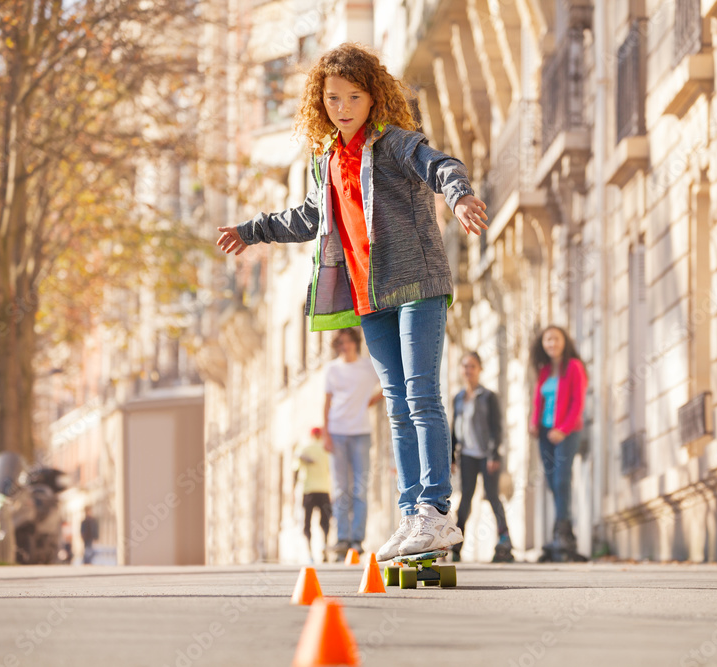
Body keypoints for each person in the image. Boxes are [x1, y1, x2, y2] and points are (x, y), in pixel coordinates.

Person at [216, 42, 487, 561]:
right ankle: (413, 515)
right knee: (396, 408)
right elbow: (309, 218)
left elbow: (441, 165)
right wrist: (252, 231)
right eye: (333, 98)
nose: (342, 107)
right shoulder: (327, 160)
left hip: (418, 285)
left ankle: (436, 510)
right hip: (371, 296)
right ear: (321, 102)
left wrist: (459, 196)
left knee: (422, 396)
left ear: (372, 97)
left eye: (353, 96)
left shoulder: (394, 143)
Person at [529, 326, 588, 562]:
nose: (551, 343)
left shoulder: (574, 366)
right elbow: (538, 400)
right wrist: (534, 423)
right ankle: (565, 533)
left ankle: (562, 534)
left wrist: (563, 430)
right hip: (545, 433)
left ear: (564, 341)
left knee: (562, 479)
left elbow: (578, 401)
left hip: (568, 432)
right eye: (547, 340)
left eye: (555, 339)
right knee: (553, 481)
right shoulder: (544, 371)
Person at [323, 328, 383, 558]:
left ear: (356, 343)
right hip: (337, 433)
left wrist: (367, 403)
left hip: (361, 433)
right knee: (340, 489)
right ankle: (342, 538)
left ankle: (357, 539)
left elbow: (387, 385)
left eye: (348, 342)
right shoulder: (332, 369)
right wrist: (326, 434)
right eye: (340, 343)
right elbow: (327, 403)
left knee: (359, 487)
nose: (344, 346)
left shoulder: (368, 367)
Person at [450, 351, 513, 562]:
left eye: (473, 366)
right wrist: (451, 457)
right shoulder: (458, 398)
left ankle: (505, 543)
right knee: (465, 501)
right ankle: (457, 547)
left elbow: (497, 428)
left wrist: (495, 454)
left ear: (480, 369)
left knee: (493, 497)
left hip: (487, 456)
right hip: (467, 456)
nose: (468, 370)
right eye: (465, 366)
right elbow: (454, 429)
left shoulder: (488, 396)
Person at [295, 427, 333, 562]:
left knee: (307, 522)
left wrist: (295, 486)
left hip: (309, 490)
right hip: (324, 489)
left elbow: (296, 469)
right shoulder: (326, 449)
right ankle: (325, 545)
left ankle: (310, 552)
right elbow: (331, 470)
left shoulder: (304, 448)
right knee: (325, 521)